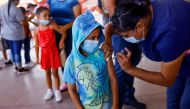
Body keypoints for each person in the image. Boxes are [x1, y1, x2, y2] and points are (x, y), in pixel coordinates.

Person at [105, 0, 190, 109]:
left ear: (140, 27)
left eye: (126, 35)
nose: (126, 39)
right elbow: (111, 26)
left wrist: (130, 69)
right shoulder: (141, 9)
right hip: (180, 55)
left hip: (181, 50)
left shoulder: (168, 35)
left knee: (186, 104)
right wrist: (108, 39)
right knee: (173, 102)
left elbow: (167, 79)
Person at [63, 11, 119, 109]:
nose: (96, 41)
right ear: (80, 37)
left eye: (98, 37)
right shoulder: (71, 61)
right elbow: (71, 89)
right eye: (92, 38)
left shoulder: (104, 52)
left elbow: (113, 78)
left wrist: (115, 105)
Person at [48, 0, 82, 91]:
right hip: (55, 31)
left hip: (71, 31)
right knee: (61, 57)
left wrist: (65, 28)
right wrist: (56, 27)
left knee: (71, 57)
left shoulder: (74, 2)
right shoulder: (51, 1)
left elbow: (78, 18)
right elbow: (48, 16)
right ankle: (67, 81)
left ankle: (78, 83)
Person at [34, 7, 65, 102]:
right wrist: (36, 57)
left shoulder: (52, 26)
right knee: (47, 73)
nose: (48, 17)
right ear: (38, 17)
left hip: (53, 53)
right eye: (45, 15)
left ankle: (57, 91)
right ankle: (49, 90)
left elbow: (63, 32)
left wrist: (61, 41)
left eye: (48, 15)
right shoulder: (36, 31)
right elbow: (36, 45)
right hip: (44, 55)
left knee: (55, 73)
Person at [0, 0, 28, 73]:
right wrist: (26, 19)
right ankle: (20, 68)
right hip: (16, 34)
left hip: (6, 33)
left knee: (12, 50)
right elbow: (22, 22)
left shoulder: (1, 7)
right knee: (17, 51)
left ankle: (16, 65)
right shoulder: (16, 9)